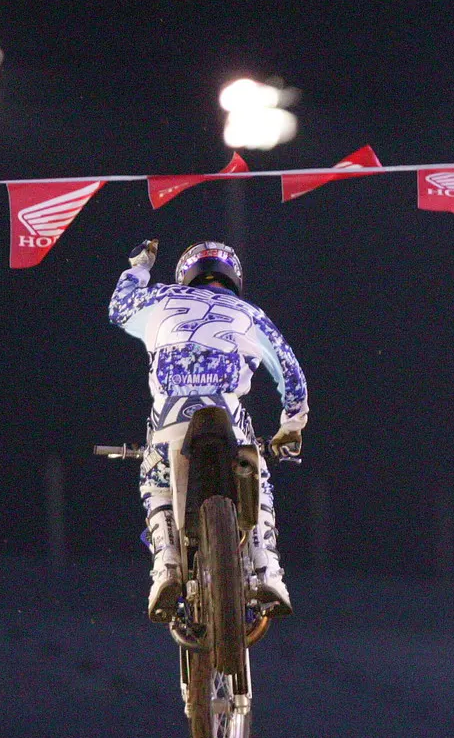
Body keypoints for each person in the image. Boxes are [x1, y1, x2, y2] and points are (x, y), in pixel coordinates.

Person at [109, 238, 309, 621]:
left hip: (171, 415)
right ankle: (268, 568)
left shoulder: (160, 299)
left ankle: (166, 564)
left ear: (185, 276)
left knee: (155, 476)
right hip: (227, 412)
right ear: (233, 278)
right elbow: (291, 373)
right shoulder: (251, 313)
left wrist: (139, 267)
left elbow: (118, 309)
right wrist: (291, 427)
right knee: (259, 474)